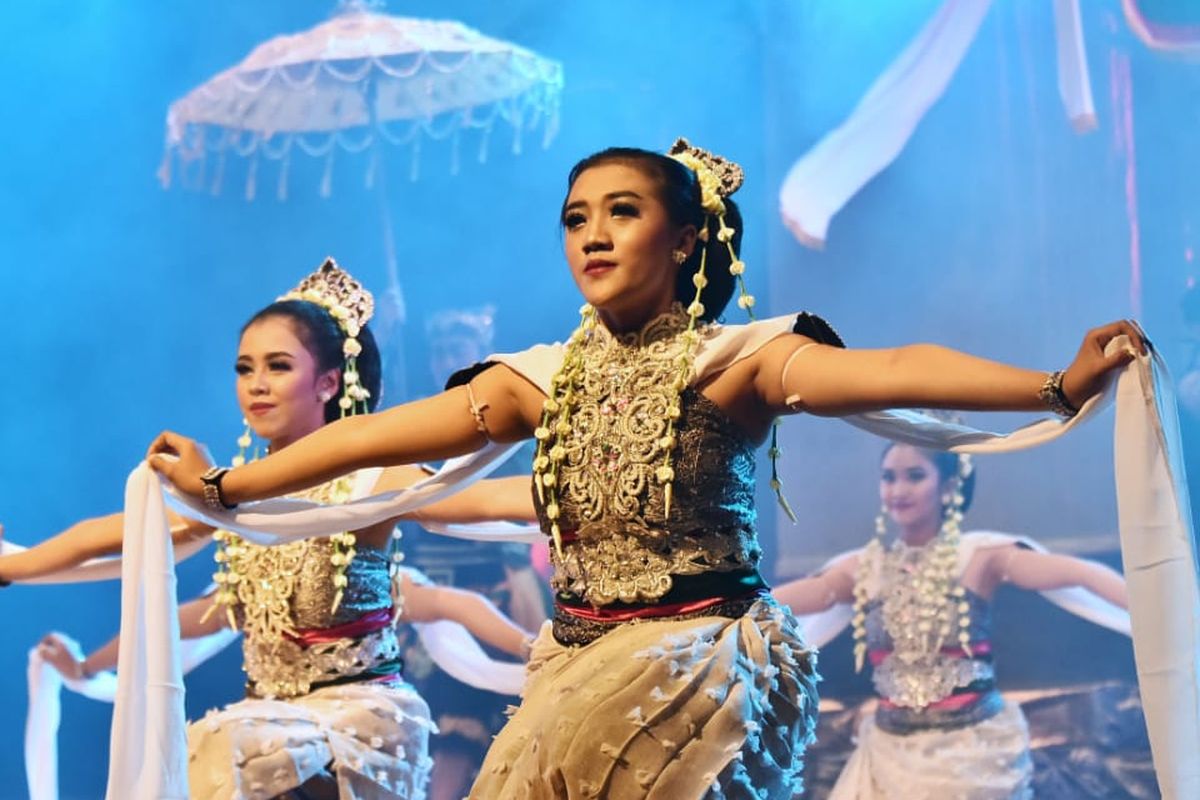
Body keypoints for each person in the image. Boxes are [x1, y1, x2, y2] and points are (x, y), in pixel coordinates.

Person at [147, 140, 1145, 799]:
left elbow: (885, 370)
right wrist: (228, 491)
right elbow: (386, 435)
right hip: (578, 663)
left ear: (686, 238)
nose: (593, 233)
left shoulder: (735, 360)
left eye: (621, 211)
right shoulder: (546, 379)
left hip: (697, 664)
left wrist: (1052, 384)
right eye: (577, 216)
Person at [2, 259, 537, 800]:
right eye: (244, 368)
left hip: (359, 724)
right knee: (208, 752)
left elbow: (483, 503)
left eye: (278, 366)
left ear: (329, 381)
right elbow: (136, 554)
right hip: (266, 729)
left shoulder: (368, 482)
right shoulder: (235, 501)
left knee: (228, 747)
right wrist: (16, 571)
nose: (256, 385)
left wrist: (592, 487)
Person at [774, 439, 1129, 798]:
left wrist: (1162, 611)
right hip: (889, 755)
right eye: (888, 477)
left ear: (948, 487)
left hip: (972, 755)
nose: (898, 490)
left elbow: (1082, 574)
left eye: (914, 476)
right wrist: (725, 608)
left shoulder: (978, 556)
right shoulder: (865, 568)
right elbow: (808, 596)